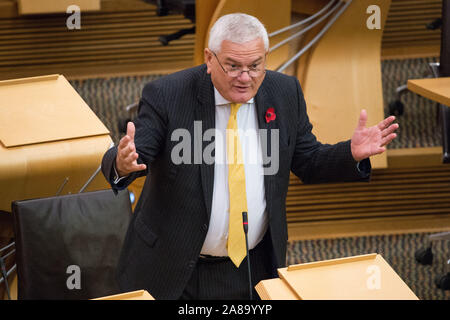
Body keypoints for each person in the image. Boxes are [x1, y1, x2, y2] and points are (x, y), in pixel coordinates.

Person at [101, 13, 398, 300]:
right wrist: (122, 162)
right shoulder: (169, 94)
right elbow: (139, 148)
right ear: (209, 59)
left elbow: (307, 159)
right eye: (233, 66)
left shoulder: (284, 92)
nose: (245, 77)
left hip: (252, 267)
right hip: (175, 269)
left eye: (255, 66)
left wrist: (350, 153)